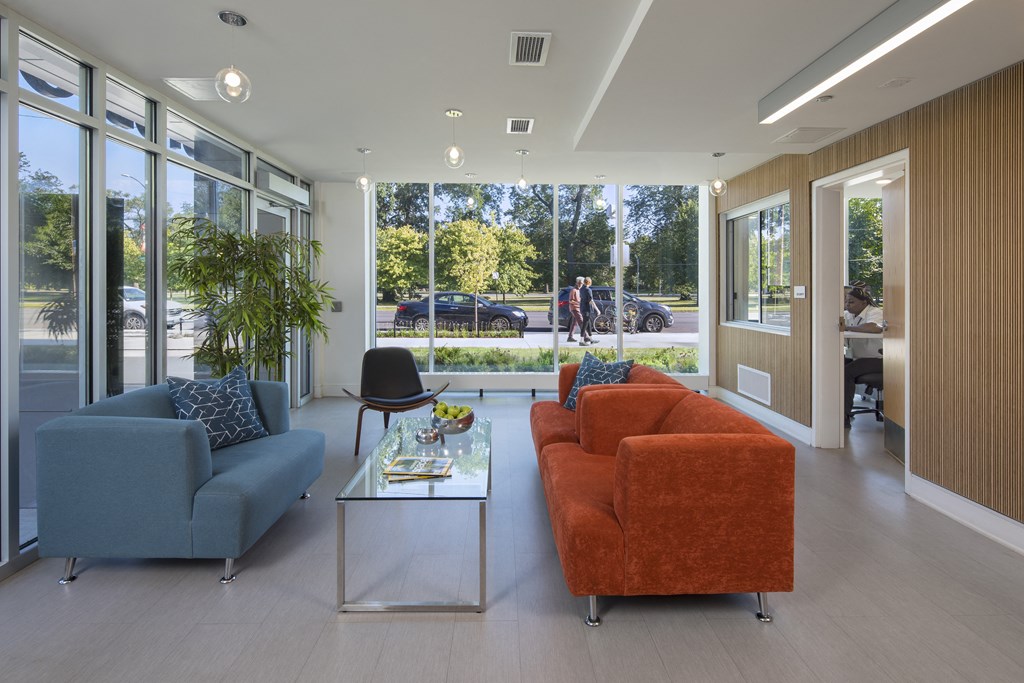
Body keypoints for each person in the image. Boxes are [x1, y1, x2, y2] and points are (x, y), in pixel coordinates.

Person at [841, 284, 884, 427]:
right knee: (835, 366)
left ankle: (844, 416)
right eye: (846, 302)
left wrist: (847, 328)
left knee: (846, 372)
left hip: (879, 359)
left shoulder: (875, 312)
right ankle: (833, 410)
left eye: (851, 302)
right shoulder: (848, 314)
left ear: (864, 303)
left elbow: (874, 328)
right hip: (859, 359)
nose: (847, 305)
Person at [578, 277, 596, 346]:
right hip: (586, 309)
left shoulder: (581, 289)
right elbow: (591, 300)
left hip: (582, 308)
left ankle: (591, 339)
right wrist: (597, 309)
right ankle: (581, 340)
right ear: (589, 282)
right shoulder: (588, 290)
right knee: (585, 324)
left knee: (589, 324)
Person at [566, 277, 584, 342]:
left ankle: (570, 337)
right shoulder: (573, 290)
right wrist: (578, 302)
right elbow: (571, 301)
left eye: (582, 283)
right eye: (580, 283)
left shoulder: (578, 290)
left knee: (574, 323)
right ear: (577, 283)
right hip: (575, 308)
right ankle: (587, 337)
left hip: (577, 308)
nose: (581, 285)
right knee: (581, 322)